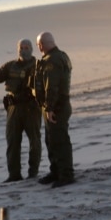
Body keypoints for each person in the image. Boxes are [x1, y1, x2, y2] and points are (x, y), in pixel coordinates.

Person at [0, 39, 42, 182]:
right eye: (21, 47)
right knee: (12, 141)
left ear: (31, 49)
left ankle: (33, 173)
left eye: (26, 47)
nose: (23, 50)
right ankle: (14, 174)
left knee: (34, 141)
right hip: (13, 108)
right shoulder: (11, 66)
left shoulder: (38, 66)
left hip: (31, 108)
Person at [34, 31, 74, 187]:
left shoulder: (52, 60)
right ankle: (56, 171)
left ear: (41, 45)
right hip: (56, 105)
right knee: (51, 140)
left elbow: (52, 87)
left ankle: (66, 175)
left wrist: (50, 108)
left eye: (38, 45)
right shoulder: (60, 56)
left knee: (59, 141)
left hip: (57, 106)